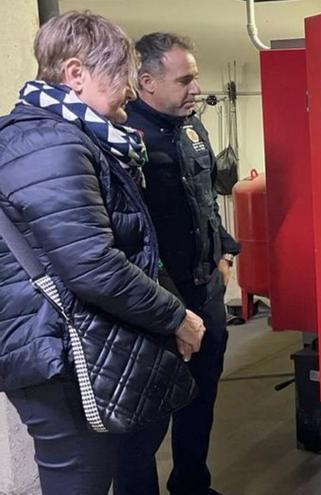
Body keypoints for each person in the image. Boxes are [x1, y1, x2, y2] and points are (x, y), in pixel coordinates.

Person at [0, 11, 205, 495]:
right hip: (55, 352)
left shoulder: (48, 136)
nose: (131, 93)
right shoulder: (52, 143)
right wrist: (178, 317)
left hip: (55, 345)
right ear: (76, 74)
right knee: (79, 476)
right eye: (122, 78)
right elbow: (92, 263)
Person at [113, 32, 240, 495]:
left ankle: (191, 486)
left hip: (204, 289)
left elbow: (205, 201)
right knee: (144, 422)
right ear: (146, 81)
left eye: (196, 78)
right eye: (184, 80)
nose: (194, 89)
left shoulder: (192, 127)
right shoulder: (122, 137)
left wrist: (225, 252)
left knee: (200, 400)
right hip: (154, 304)